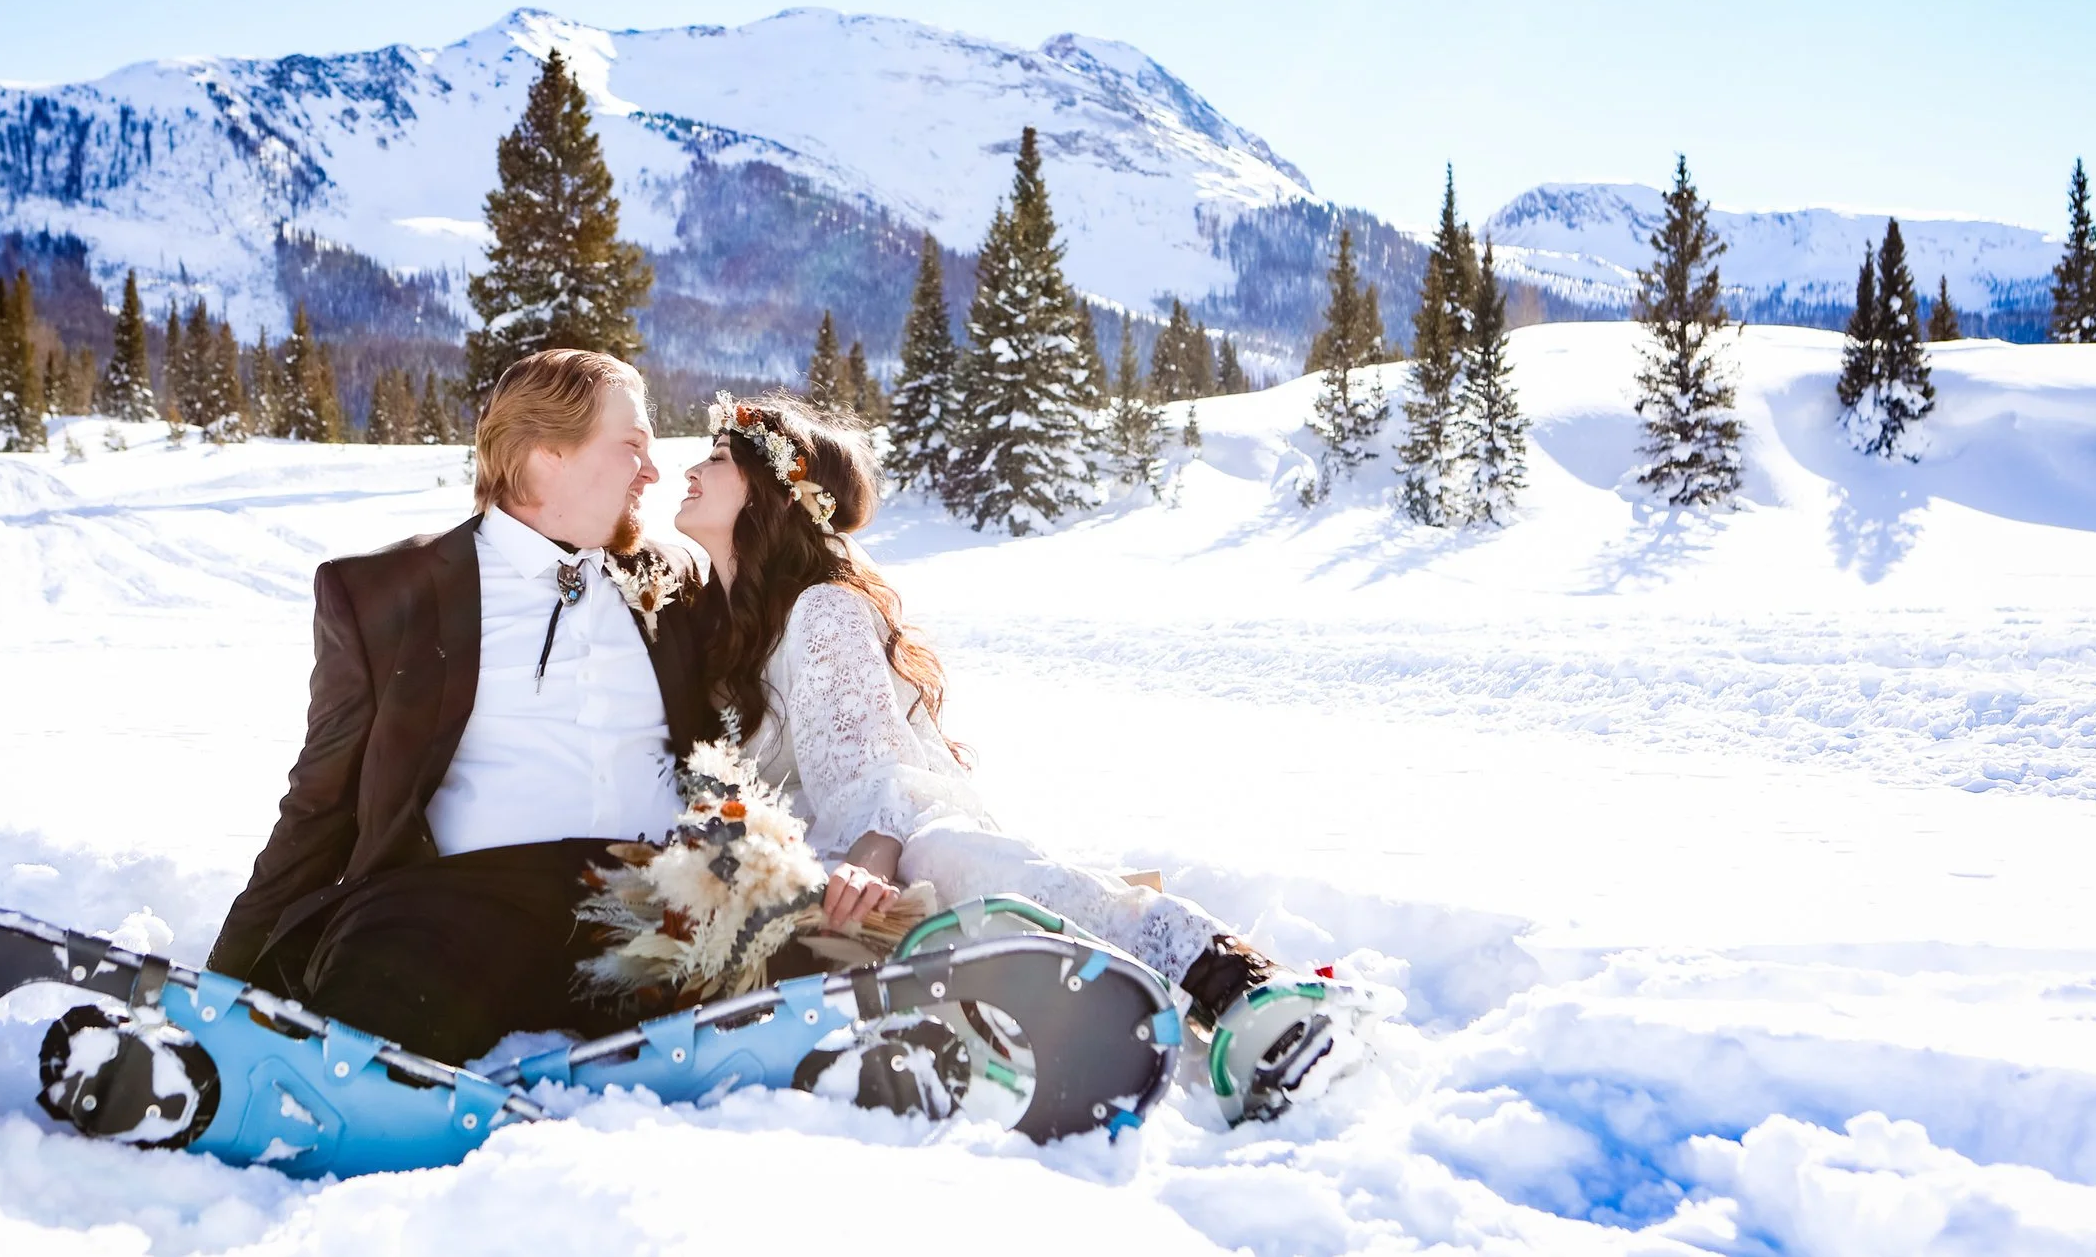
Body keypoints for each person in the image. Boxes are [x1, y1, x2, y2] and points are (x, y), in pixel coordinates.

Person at [671, 390, 1383, 1123]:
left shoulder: (821, 609)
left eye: (718, 459)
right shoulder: (726, 623)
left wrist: (871, 855)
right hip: (808, 858)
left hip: (890, 838)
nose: (691, 470)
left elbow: (873, 769)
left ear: (774, 492)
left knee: (945, 856)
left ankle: (1233, 979)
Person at [205, 349, 720, 1065]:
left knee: (766, 1001)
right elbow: (321, 801)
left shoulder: (679, 579)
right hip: (455, 905)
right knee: (373, 1023)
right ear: (547, 454)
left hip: (651, 902)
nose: (653, 472)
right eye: (632, 445)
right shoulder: (386, 591)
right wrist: (217, 993)